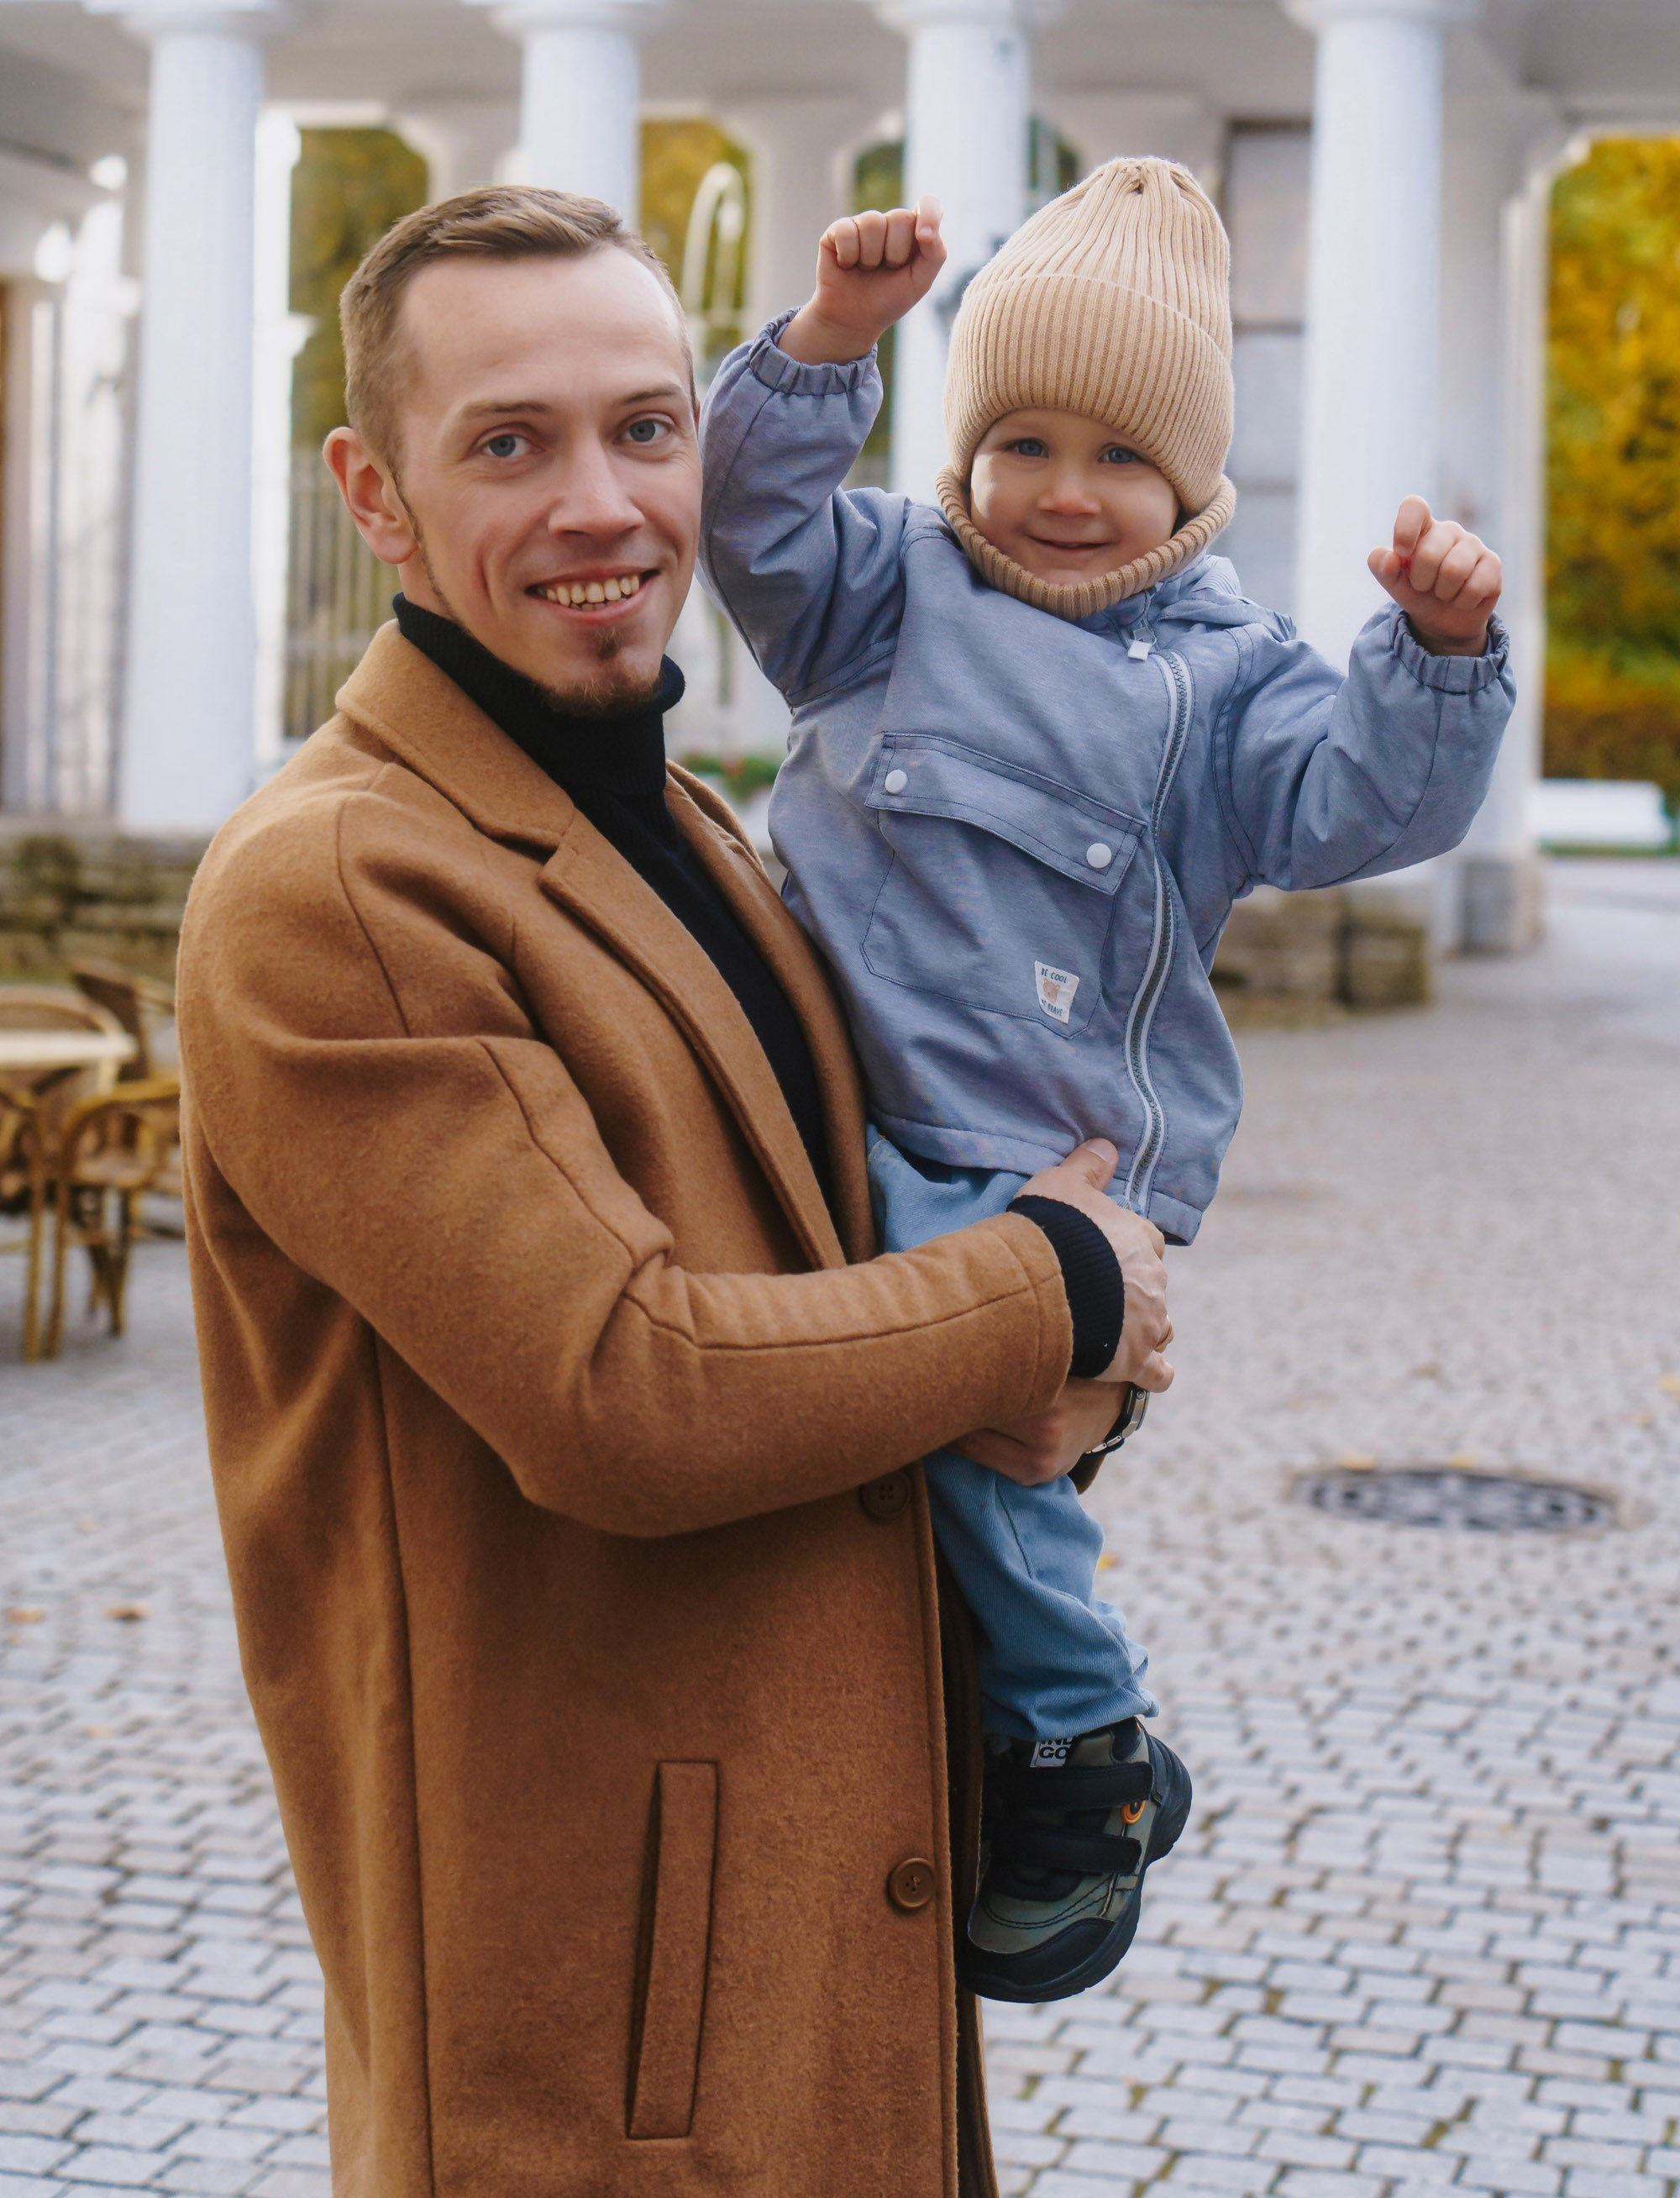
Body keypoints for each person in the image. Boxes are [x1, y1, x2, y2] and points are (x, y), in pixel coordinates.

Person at [176, 184, 1176, 2198]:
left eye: (645, 427)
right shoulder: (341, 886)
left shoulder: (694, 829)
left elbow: (857, 1281)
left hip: (820, 1957)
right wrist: (1052, 1287)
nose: (602, 505)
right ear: (374, 493)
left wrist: (1071, 1375)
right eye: (508, 443)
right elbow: (625, 1392)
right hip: (603, 2047)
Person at [698, 155, 1516, 2004]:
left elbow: (1362, 803)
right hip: (842, 1104)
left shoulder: (1230, 686)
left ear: (1194, 484)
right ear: (966, 452)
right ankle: (1053, 1742)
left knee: (989, 1460)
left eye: (1118, 457)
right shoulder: (883, 598)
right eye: (1024, 444)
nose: (1064, 495)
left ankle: (1076, 1741)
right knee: (888, 1463)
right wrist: (833, 339)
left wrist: (1439, 654)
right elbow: (739, 518)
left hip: (1027, 1155)